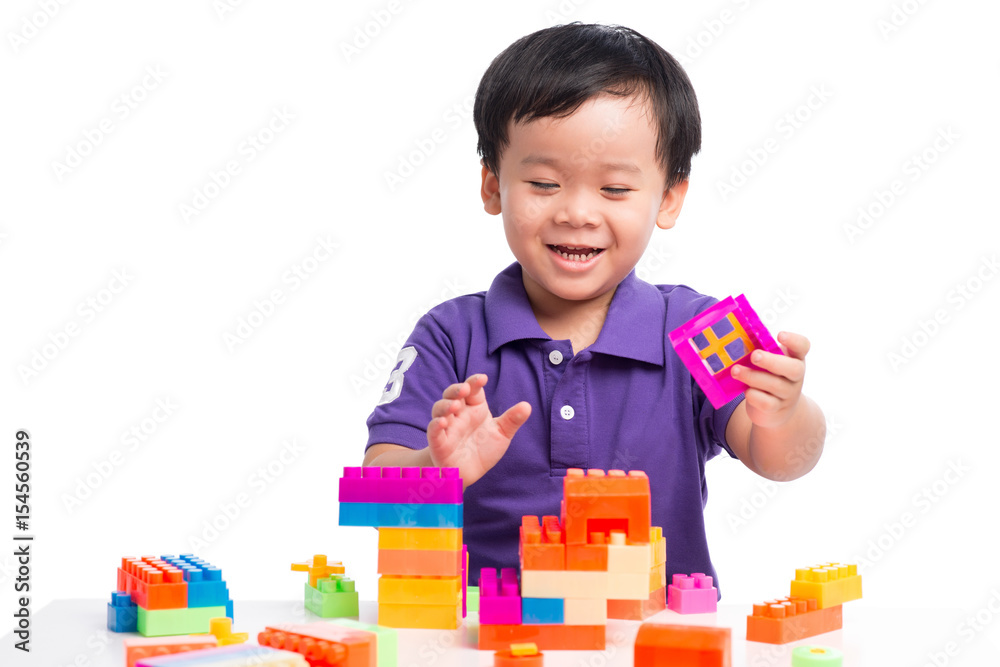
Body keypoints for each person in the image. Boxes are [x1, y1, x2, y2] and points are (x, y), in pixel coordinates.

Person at [362, 23, 825, 593]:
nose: (577, 213)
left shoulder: (704, 328)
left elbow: (785, 461)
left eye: (614, 190)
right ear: (492, 186)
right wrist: (435, 472)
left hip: (655, 638)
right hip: (491, 639)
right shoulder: (450, 334)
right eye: (542, 182)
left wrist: (782, 414)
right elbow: (377, 493)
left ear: (670, 198)